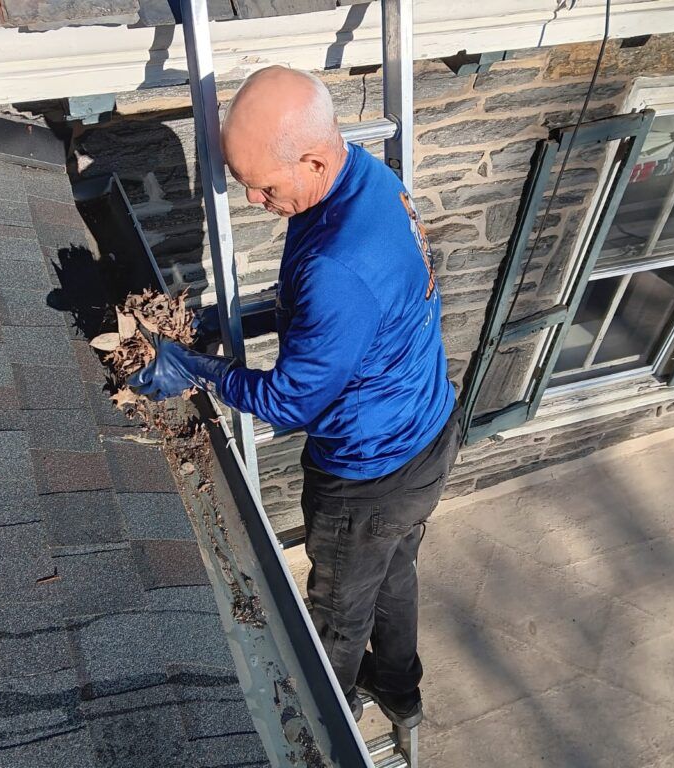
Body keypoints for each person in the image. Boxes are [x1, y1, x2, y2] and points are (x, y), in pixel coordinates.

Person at [129, 66, 461, 729]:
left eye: (265, 186)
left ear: (311, 157)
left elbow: (289, 403)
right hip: (428, 434)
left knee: (338, 619)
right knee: (393, 572)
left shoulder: (337, 263)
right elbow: (351, 317)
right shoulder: (368, 178)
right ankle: (399, 689)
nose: (254, 199)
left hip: (368, 474)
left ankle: (323, 729)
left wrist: (202, 370)